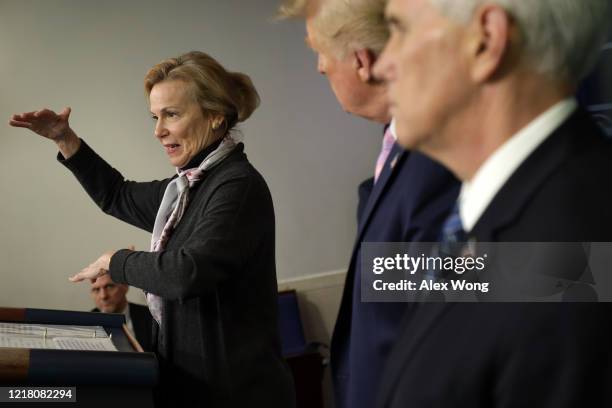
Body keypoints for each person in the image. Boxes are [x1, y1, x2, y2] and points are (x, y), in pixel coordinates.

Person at [9, 51, 295, 408]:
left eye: (171, 115)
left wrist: (117, 261)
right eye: (155, 117)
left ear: (215, 116)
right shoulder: (187, 190)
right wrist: (64, 138)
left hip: (236, 395)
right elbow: (115, 194)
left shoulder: (237, 185)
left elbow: (186, 273)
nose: (158, 131)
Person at [373, 0, 612, 407]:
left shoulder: (572, 245)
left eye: (399, 29)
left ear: (486, 40)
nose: (382, 65)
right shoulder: (505, 208)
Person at [277, 1, 458, 408]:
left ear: (362, 61)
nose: (320, 67)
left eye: (317, 50)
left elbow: (561, 278)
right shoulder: (395, 148)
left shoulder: (441, 153)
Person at [89, 272, 154, 352]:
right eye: (96, 289)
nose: (103, 296)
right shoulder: (87, 324)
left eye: (109, 287)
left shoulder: (151, 316)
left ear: (125, 287)